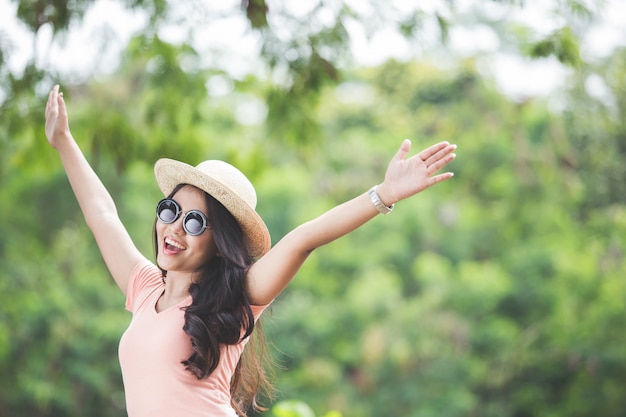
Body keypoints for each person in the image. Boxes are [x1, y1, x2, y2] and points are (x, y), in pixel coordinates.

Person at [44, 84, 457, 417]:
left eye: (194, 222)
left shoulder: (236, 297)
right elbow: (102, 213)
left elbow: (304, 238)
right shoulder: (144, 288)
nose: (174, 228)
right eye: (170, 210)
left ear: (221, 244)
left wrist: (383, 194)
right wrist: (63, 140)